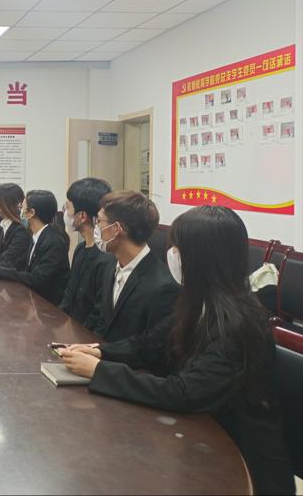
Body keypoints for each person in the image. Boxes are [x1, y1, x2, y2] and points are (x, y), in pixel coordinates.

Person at [59, 206, 294, 496]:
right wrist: (102, 353)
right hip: (200, 438)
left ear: (201, 257)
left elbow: (184, 392)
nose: (171, 255)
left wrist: (100, 372)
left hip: (243, 464)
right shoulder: (197, 302)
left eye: (178, 249)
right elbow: (150, 343)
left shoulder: (238, 324)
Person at [85, 191, 179, 344]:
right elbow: (103, 321)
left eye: (99, 221)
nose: (96, 227)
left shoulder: (162, 286)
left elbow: (151, 345)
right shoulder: (110, 266)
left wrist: (101, 354)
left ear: (116, 229)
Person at [0, 190, 70, 306]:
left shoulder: (53, 242)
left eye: (22, 207)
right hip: (35, 299)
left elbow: (36, 279)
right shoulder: (37, 235)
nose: (19, 210)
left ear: (31, 213)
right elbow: (21, 264)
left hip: (49, 305)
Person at [59, 178, 115, 326]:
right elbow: (69, 294)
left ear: (82, 216)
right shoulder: (80, 249)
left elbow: (99, 314)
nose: (65, 212)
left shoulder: (106, 259)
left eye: (68, 207)